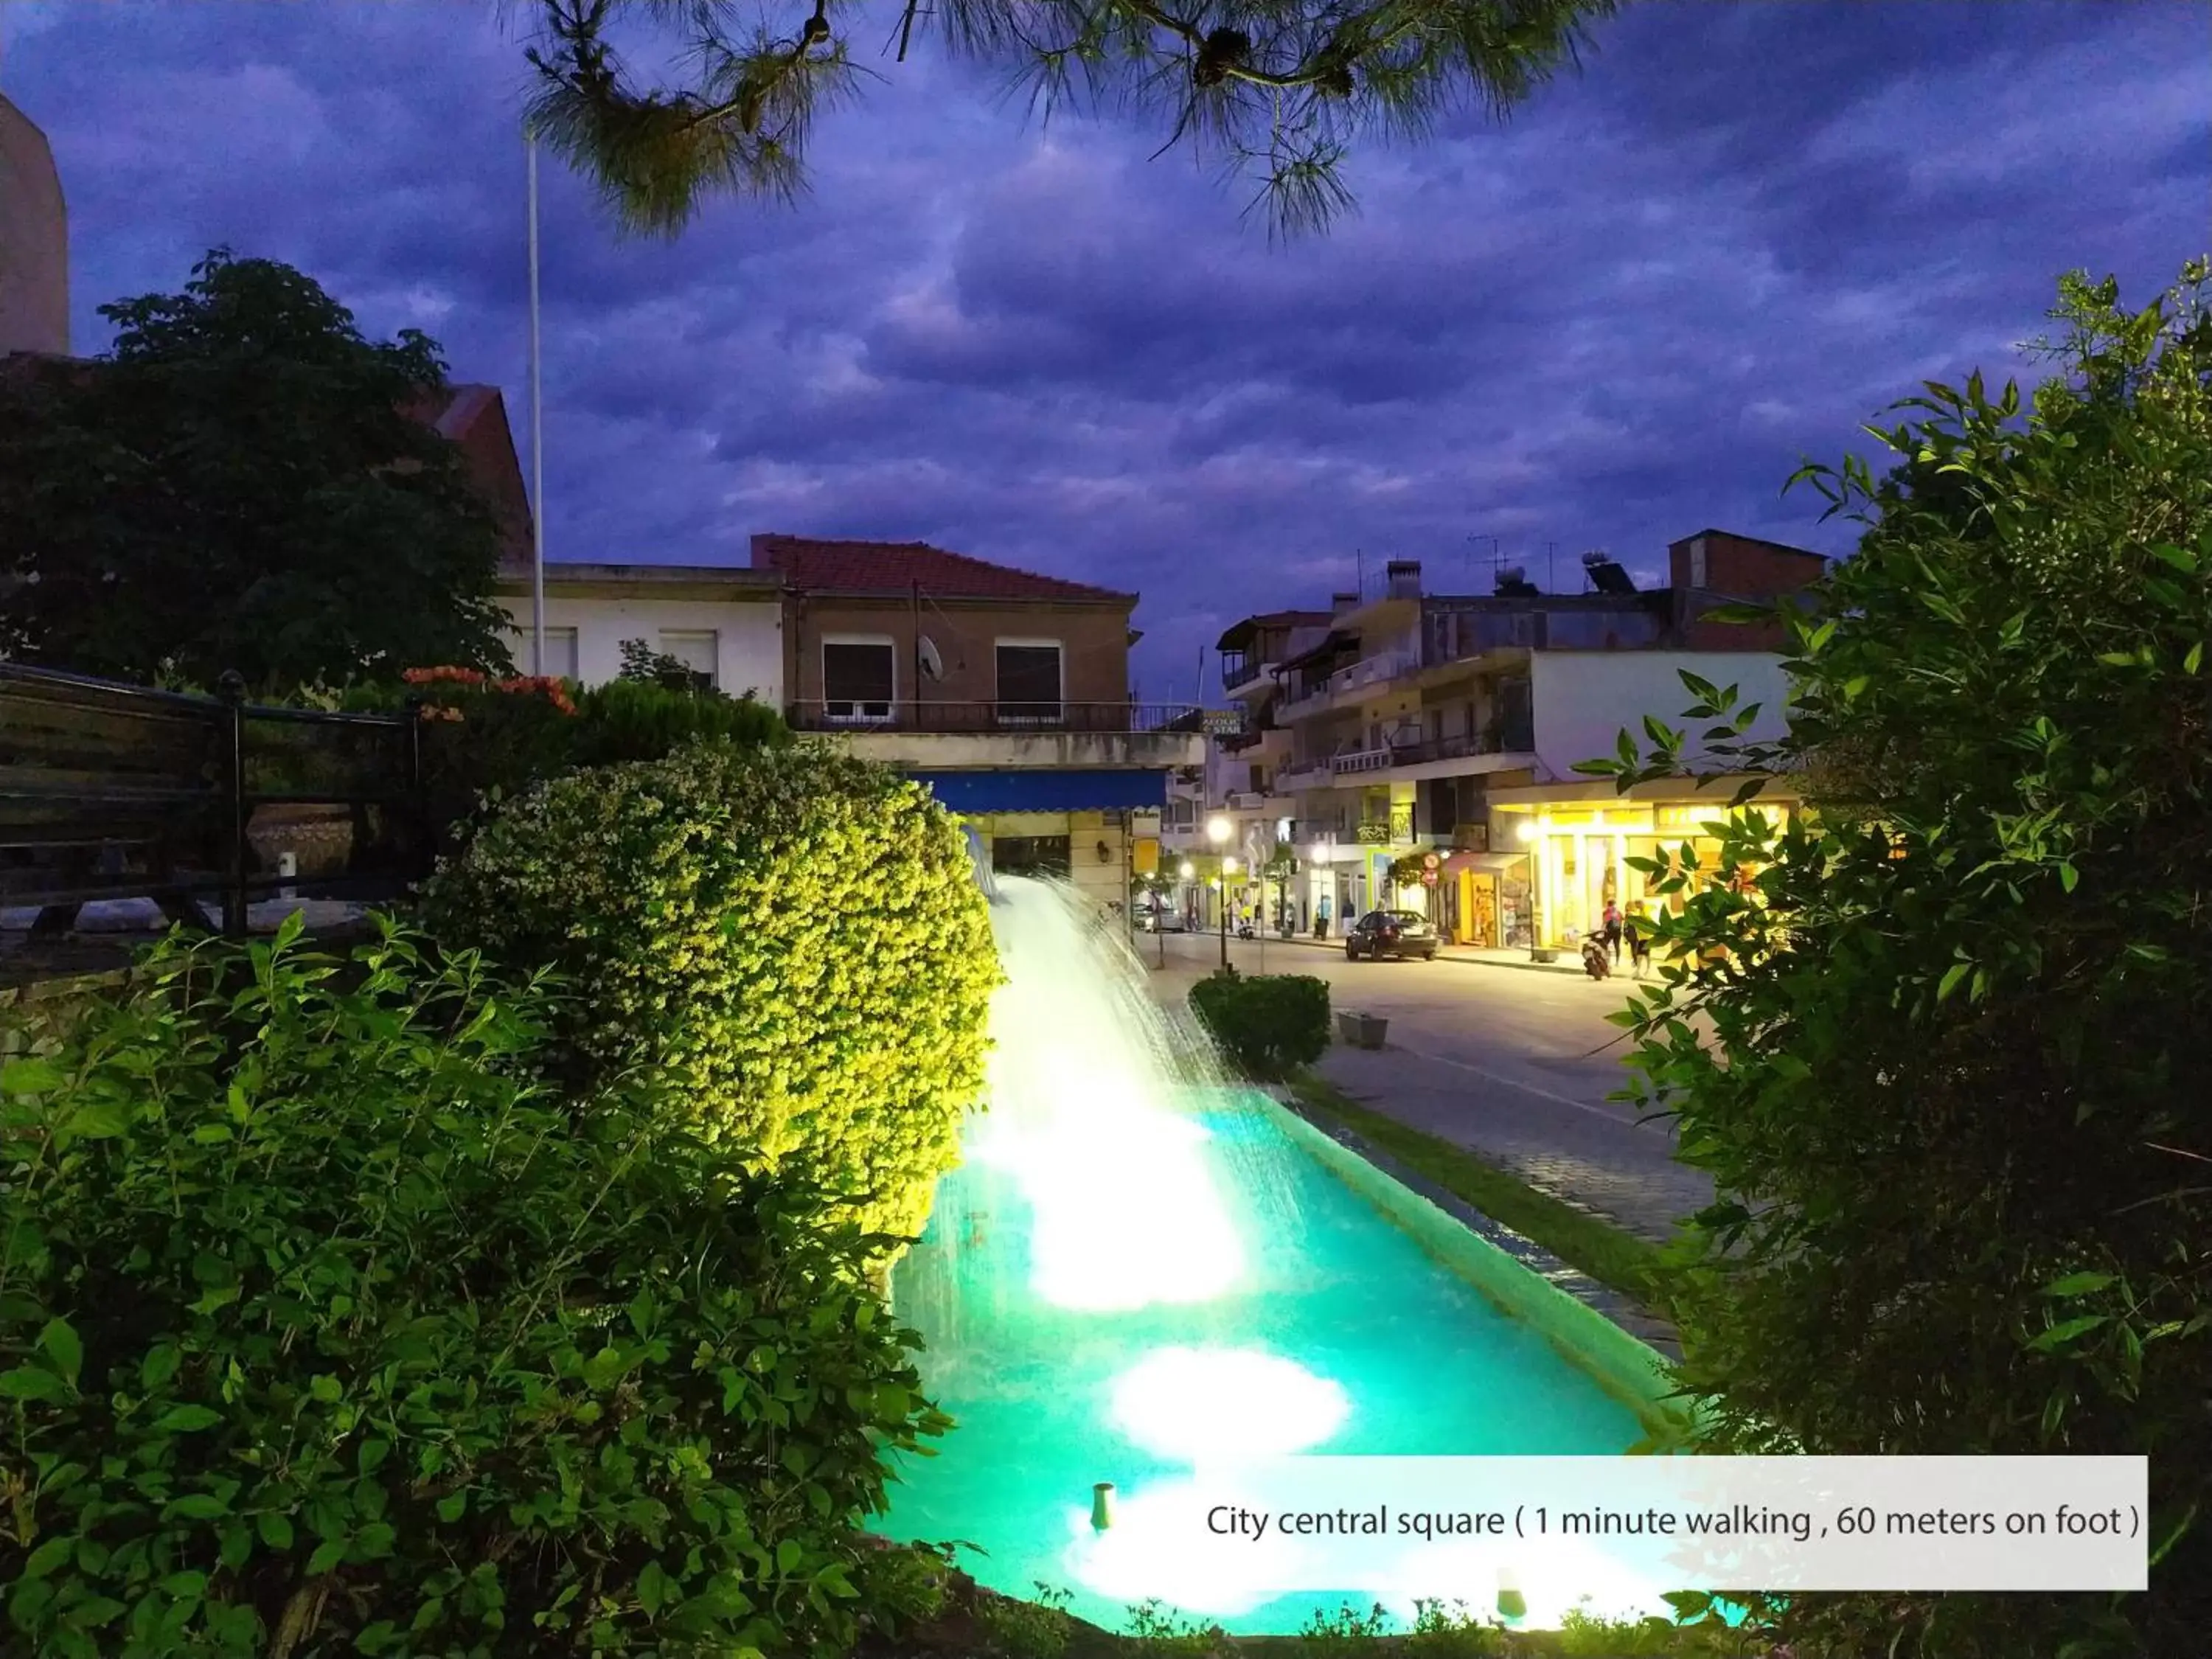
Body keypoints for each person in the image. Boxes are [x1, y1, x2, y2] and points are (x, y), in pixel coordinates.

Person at [1624, 904, 1650, 976]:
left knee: (1647, 956)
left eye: (1637, 905)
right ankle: (1638, 971)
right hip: (1641, 938)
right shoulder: (1639, 914)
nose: (1636, 907)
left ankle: (1648, 970)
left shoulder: (1645, 914)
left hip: (1646, 938)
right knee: (1639, 955)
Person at [1602, 898, 1624, 965]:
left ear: (1608, 904)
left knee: (1604, 945)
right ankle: (1617, 962)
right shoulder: (1618, 912)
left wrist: (1603, 928)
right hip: (1617, 931)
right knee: (1617, 946)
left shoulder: (1606, 911)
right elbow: (1622, 920)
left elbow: (1605, 921)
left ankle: (1607, 960)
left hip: (1609, 931)